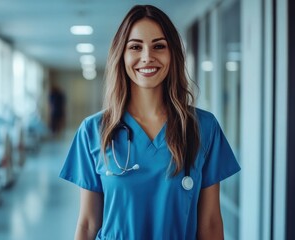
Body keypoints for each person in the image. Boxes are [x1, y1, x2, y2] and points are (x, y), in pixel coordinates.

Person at [59, 4, 240, 240]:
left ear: (172, 54)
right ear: (121, 55)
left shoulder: (203, 128)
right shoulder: (94, 130)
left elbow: (211, 224)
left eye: (159, 46)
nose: (147, 57)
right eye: (135, 47)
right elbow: (88, 224)